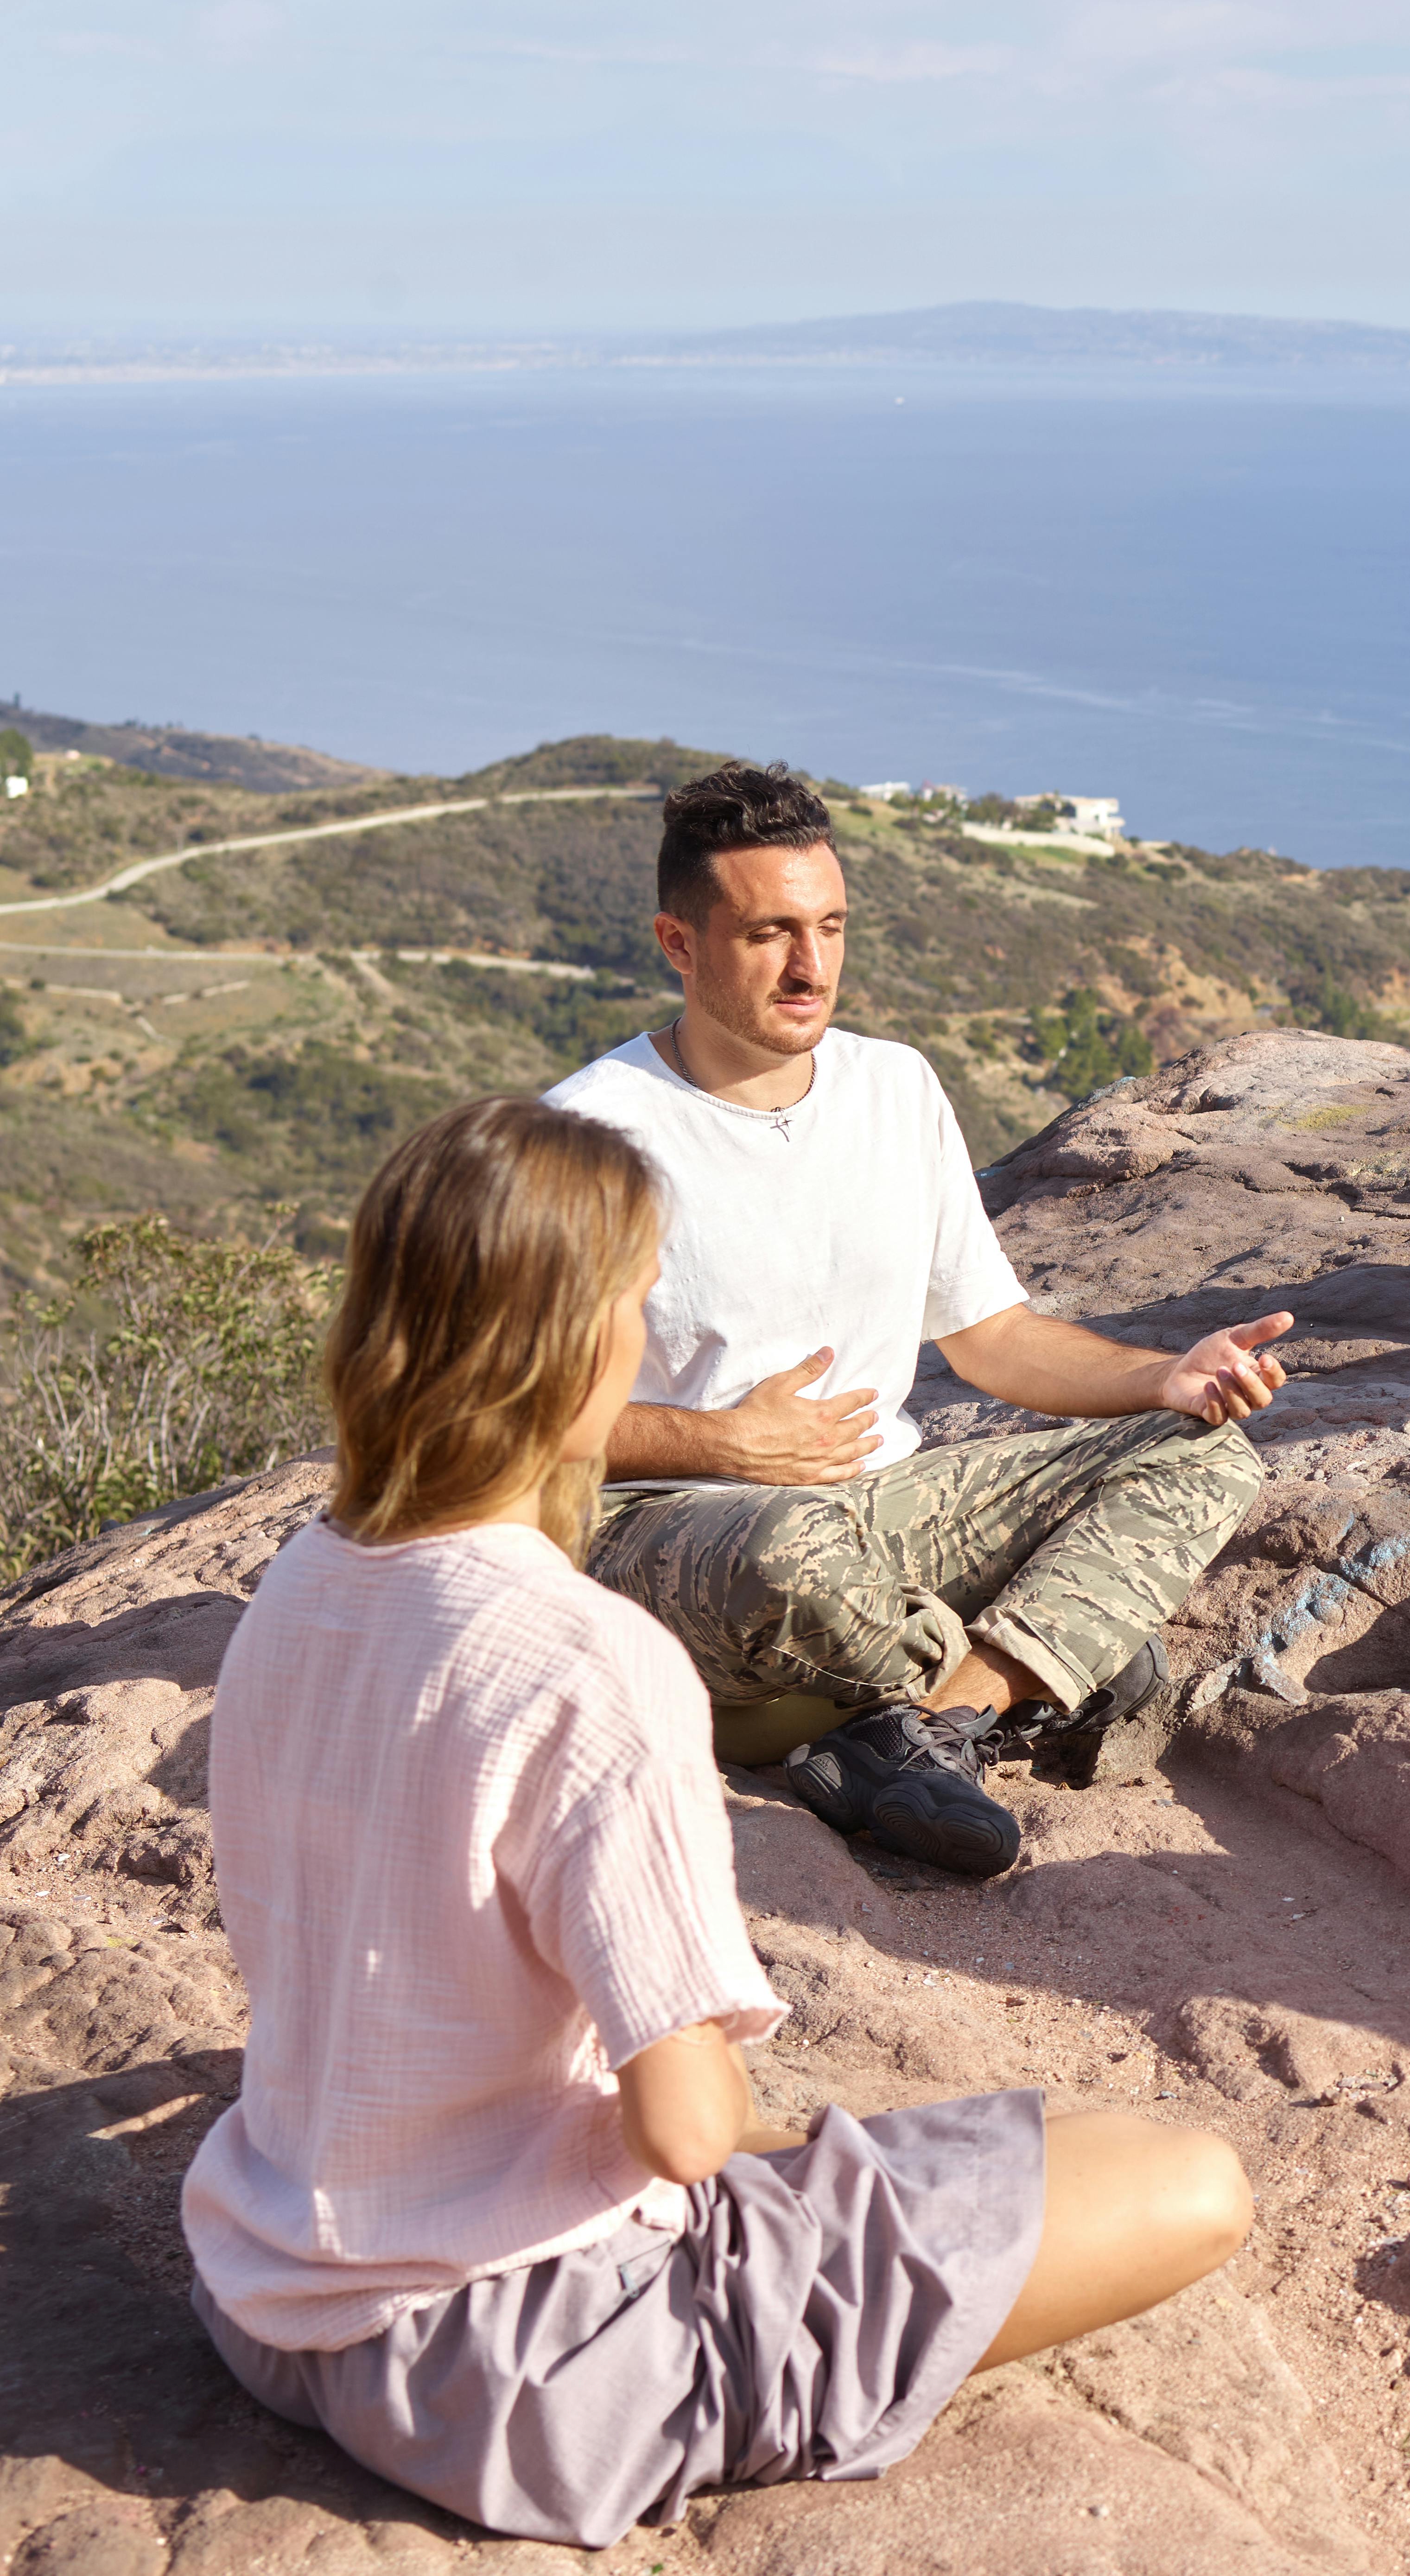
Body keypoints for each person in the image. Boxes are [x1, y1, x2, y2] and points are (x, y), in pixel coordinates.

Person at [182, 1095, 1258, 2549]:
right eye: (634, 1299)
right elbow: (687, 2135)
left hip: (266, 2291)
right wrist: (809, 2151)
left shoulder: (305, 1584)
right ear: (570, 1343)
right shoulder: (585, 1660)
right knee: (1183, 2181)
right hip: (525, 2363)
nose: (642, 1334)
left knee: (1023, 2139)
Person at [549, 763, 1295, 1879]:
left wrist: (1164, 1380)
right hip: (680, 1526)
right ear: (679, 942)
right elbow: (521, 1420)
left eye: (830, 926)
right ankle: (1047, 1669)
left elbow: (990, 1336)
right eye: (770, 933)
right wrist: (724, 1442)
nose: (811, 966)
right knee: (792, 1554)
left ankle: (929, 1727)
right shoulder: (591, 1135)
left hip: (883, 1509)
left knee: (1205, 1454)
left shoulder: (894, 1088)